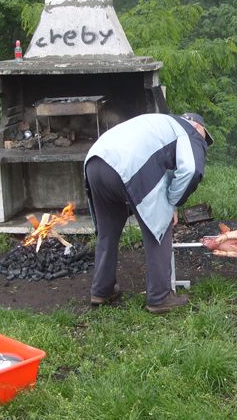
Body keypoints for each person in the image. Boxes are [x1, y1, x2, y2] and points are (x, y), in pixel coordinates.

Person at [84, 112, 213, 313]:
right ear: (198, 127)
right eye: (204, 138)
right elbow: (191, 170)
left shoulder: (158, 124)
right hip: (127, 167)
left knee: (107, 232)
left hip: (95, 161)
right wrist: (173, 203)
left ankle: (102, 290)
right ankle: (160, 298)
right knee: (159, 228)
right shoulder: (189, 131)